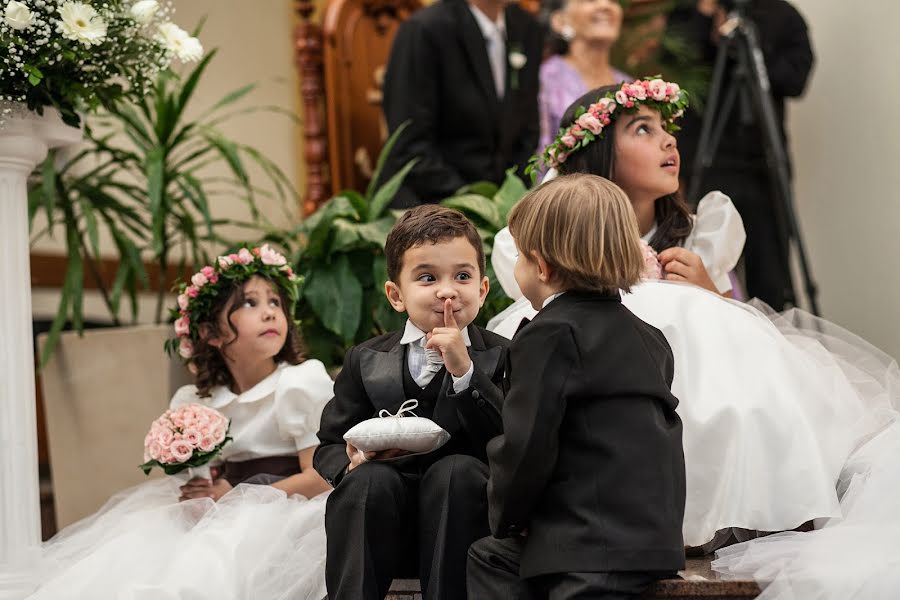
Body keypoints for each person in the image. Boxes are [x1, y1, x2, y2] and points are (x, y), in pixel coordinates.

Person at [489, 78, 900, 550]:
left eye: (667, 129)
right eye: (642, 129)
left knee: (703, 332)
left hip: (692, 374)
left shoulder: (701, 234)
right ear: (598, 155)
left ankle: (731, 505)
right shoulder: (545, 244)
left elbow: (739, 338)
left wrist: (708, 292)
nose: (668, 140)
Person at [27, 245, 335, 599]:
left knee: (216, 563)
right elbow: (209, 476)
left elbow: (321, 477)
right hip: (226, 508)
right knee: (144, 560)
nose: (269, 313)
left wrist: (236, 497)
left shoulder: (297, 384)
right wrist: (201, 489)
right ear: (211, 334)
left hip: (289, 509)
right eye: (250, 303)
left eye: (275, 303)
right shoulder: (198, 402)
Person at [467, 173, 685, 599]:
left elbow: (526, 445)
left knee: (489, 552)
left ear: (542, 267)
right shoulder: (651, 339)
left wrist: (507, 516)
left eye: (521, 258)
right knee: (493, 557)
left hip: (588, 546)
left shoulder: (549, 336)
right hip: (651, 540)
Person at [314, 205, 509, 600]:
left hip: (463, 525)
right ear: (396, 295)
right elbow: (329, 444)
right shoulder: (365, 359)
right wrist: (350, 462)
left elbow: (511, 436)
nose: (447, 290)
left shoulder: (505, 355)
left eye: (462, 276)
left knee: (456, 471)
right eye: (427, 278)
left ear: (483, 290)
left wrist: (465, 372)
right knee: (368, 481)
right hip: (384, 526)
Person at [667, 0, 815, 309]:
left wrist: (749, 51)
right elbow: (675, 75)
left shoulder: (781, 14)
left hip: (763, 162)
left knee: (772, 274)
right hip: (705, 159)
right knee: (702, 258)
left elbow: (795, 81)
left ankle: (774, 341)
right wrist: (706, 21)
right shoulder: (690, 12)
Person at [379, 0, 543, 207]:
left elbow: (528, 129)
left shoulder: (527, 28)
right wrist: (475, 205)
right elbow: (409, 145)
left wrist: (512, 199)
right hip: (431, 204)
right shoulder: (425, 30)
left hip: (504, 208)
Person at [537, 0, 631, 152]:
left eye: (613, 1)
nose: (605, 5)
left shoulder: (630, 86)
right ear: (560, 21)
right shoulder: (545, 79)